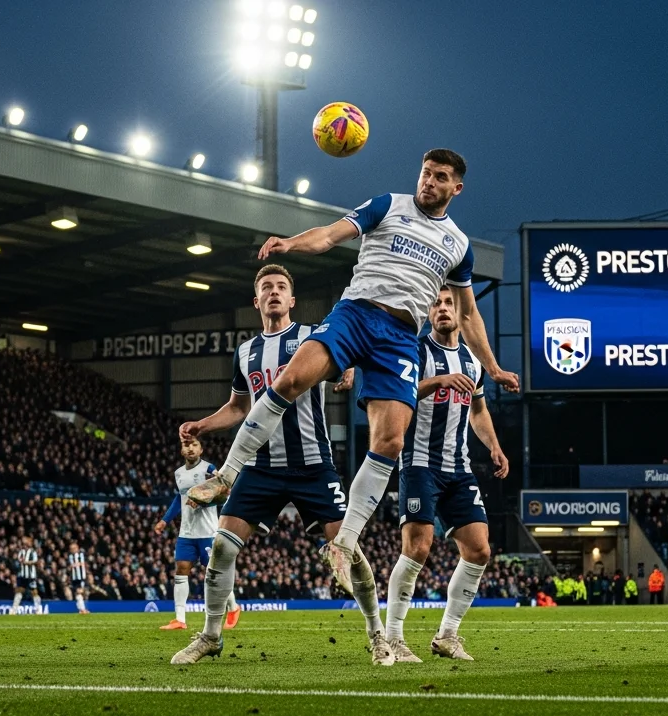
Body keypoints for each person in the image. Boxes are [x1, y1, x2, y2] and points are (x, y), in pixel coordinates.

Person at [183, 149, 520, 596]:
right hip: (355, 314)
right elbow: (329, 236)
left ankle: (344, 541)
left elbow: (469, 312)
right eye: (425, 173)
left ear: (455, 188)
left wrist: (492, 367)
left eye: (440, 177)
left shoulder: (458, 245)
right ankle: (226, 476)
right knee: (289, 380)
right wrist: (290, 244)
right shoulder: (388, 204)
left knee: (391, 440)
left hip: (400, 337)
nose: (429, 182)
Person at [172, 265, 390, 665]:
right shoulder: (245, 352)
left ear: (292, 300)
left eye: (282, 287)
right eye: (266, 288)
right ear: (256, 301)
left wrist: (348, 369)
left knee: (349, 549)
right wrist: (203, 424)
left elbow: (345, 362)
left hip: (313, 466)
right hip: (260, 467)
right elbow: (239, 407)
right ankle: (210, 636)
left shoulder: (312, 338)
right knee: (221, 547)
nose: (274, 292)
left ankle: (379, 635)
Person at [383, 286, 510, 662]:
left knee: (479, 549)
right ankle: (392, 638)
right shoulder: (416, 350)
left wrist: (494, 446)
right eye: (435, 304)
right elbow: (398, 392)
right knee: (418, 548)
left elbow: (478, 411)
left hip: (459, 468)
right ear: (428, 312)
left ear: (460, 312)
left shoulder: (472, 361)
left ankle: (448, 635)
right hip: (420, 463)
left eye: (448, 303)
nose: (442, 308)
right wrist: (436, 382)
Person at [156, 437, 241, 631]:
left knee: (214, 573)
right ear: (182, 451)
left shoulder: (208, 469)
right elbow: (179, 498)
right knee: (181, 569)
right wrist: (165, 520)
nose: (191, 448)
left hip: (208, 532)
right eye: (187, 445)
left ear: (201, 449)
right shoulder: (178, 474)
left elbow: (225, 494)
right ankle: (179, 619)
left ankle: (233, 607)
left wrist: (204, 501)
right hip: (186, 533)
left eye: (195, 445)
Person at [10, 535, 41, 614]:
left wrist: (27, 562)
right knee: (19, 591)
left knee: (34, 592)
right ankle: (14, 610)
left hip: (31, 576)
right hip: (22, 575)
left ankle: (38, 609)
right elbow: (19, 560)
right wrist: (20, 561)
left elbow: (35, 561)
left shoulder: (33, 552)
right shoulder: (21, 552)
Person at [67, 542, 90, 614]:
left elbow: (84, 563)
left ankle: (82, 609)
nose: (73, 550)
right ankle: (82, 609)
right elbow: (69, 567)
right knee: (78, 593)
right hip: (74, 578)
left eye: (74, 548)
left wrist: (76, 565)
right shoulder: (70, 557)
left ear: (77, 548)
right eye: (71, 549)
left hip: (81, 577)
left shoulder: (81, 555)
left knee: (80, 592)